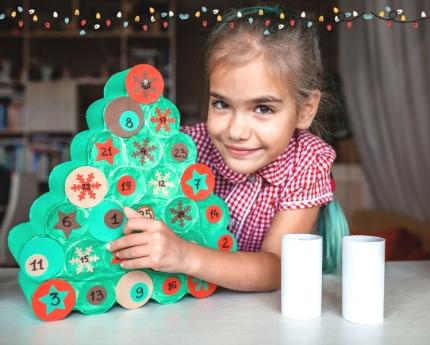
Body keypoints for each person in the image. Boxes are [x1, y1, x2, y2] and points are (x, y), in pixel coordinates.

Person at [107, 6, 349, 292]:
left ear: (306, 110)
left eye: (262, 108)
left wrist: (183, 255)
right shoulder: (184, 149)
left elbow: (278, 267)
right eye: (221, 104)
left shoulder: (307, 162)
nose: (235, 131)